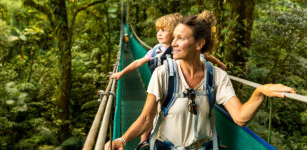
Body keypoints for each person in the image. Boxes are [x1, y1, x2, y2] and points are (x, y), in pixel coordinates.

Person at [105, 10, 295, 150]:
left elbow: (240, 117)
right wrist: (122, 140)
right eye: (174, 37)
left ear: (199, 44)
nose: (173, 44)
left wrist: (259, 92)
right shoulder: (162, 73)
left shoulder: (217, 76)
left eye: (181, 38)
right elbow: (147, 118)